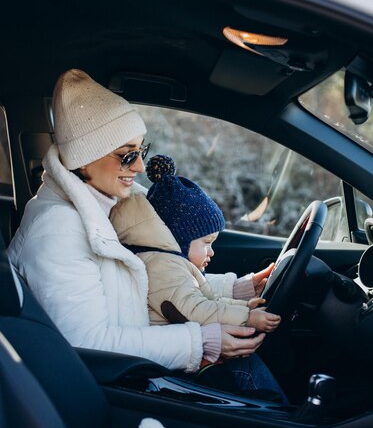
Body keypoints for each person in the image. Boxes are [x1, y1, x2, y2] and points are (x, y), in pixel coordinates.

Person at [7, 68, 283, 392]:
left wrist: (235, 289)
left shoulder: (111, 206)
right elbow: (87, 345)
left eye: (141, 151)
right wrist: (201, 342)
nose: (139, 167)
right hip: (115, 392)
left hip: (136, 373)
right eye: (127, 156)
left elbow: (157, 276)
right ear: (85, 159)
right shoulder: (58, 231)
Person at [109, 154, 284, 394]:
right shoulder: (164, 266)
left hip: (188, 350)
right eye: (206, 242)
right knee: (248, 369)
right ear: (179, 238)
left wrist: (241, 304)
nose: (211, 251)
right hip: (177, 366)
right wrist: (246, 317)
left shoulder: (171, 261)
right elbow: (195, 309)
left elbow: (204, 299)